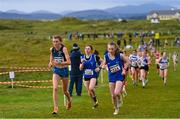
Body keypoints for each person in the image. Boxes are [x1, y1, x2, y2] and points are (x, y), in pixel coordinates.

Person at [102, 42, 129, 115]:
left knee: (116, 92)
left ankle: (120, 98)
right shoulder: (106, 56)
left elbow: (127, 62)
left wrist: (124, 69)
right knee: (113, 96)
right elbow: (103, 64)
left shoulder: (120, 55)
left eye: (112, 49)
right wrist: (104, 67)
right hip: (111, 77)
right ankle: (116, 108)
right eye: (109, 49)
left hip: (119, 76)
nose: (110, 50)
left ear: (115, 49)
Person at [48, 35, 72, 114]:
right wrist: (50, 63)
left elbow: (69, 62)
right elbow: (51, 59)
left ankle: (69, 100)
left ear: (60, 41)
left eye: (57, 41)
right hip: (57, 71)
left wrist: (60, 63)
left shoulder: (64, 49)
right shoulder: (52, 49)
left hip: (64, 70)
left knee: (65, 91)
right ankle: (55, 108)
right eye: (54, 42)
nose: (55, 43)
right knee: (55, 88)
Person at [80, 45, 100, 109]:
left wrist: (99, 67)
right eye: (86, 48)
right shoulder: (82, 57)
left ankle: (95, 98)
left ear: (91, 50)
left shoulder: (95, 56)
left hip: (93, 75)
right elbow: (80, 68)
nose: (87, 50)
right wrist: (82, 63)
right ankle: (95, 102)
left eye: (88, 49)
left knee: (91, 88)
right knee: (89, 92)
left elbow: (103, 62)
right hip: (86, 76)